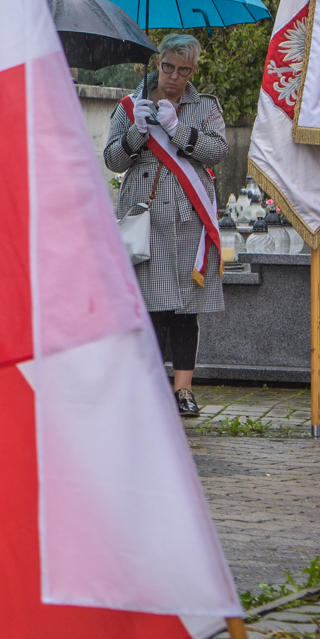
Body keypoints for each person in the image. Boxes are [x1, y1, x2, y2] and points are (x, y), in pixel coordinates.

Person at [104, 32, 227, 419]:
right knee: (152, 308)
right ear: (158, 64)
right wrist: (136, 132)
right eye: (168, 67)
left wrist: (179, 131)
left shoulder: (204, 107)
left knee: (185, 309)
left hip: (189, 217)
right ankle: (153, 388)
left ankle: (184, 391)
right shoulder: (130, 104)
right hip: (147, 216)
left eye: (184, 70)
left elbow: (218, 150)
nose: (174, 76)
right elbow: (112, 160)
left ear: (193, 70)